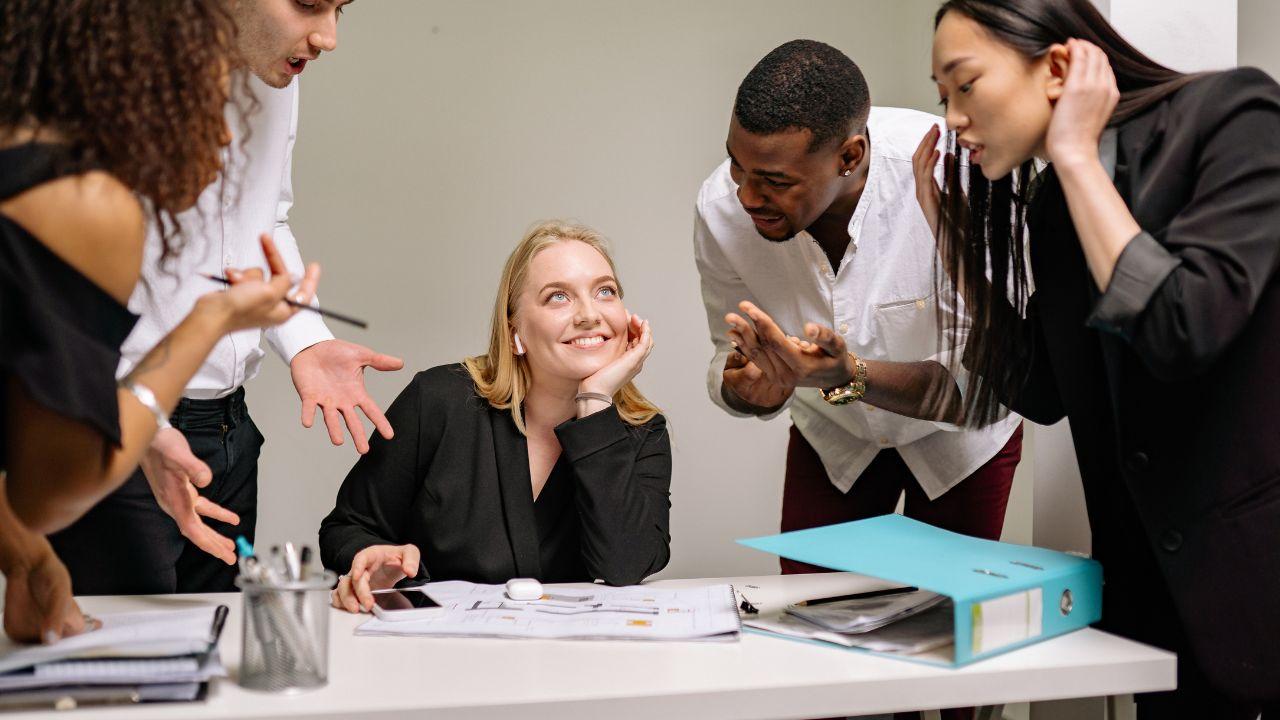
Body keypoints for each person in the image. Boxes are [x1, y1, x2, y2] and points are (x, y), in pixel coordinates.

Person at [919, 0, 1280, 716]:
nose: (953, 118)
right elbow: (1044, 392)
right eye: (942, 97)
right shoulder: (1052, 204)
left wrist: (1078, 158)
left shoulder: (1235, 115)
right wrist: (954, 248)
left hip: (1255, 583)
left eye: (965, 84)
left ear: (1056, 67)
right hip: (1156, 603)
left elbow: (1184, 327)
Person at [49, 0, 403, 596]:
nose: (329, 37)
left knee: (219, 641)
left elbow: (267, 220)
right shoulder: (104, 78)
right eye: (309, 3)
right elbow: (54, 278)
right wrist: (134, 417)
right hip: (123, 429)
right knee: (132, 651)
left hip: (231, 431)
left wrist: (306, 341)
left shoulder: (277, 73)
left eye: (341, 8)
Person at [0, 0, 318, 643]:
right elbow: (47, 493)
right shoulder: (78, 208)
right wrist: (211, 319)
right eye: (203, 96)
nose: (227, 139)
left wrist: (28, 559)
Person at [694, 40, 1023, 576]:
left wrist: (849, 374)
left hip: (961, 445)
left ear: (849, 156)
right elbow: (725, 355)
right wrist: (748, 389)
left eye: (776, 181)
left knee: (945, 611)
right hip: (835, 441)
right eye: (737, 165)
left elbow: (982, 387)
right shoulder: (719, 210)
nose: (747, 197)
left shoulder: (956, 176)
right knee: (808, 610)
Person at [321, 221, 670, 612]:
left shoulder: (643, 430)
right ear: (514, 328)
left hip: (571, 649)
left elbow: (627, 565)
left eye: (605, 291)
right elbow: (347, 529)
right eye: (558, 297)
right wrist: (371, 559)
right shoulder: (439, 400)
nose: (590, 315)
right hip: (436, 643)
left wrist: (595, 402)